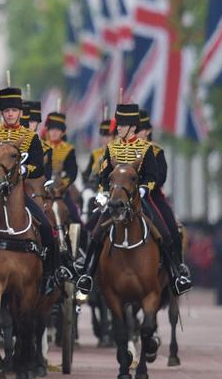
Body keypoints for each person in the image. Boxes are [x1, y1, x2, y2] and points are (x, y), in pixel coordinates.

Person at [75, 103, 191, 297]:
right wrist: (103, 193)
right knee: (96, 231)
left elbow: (153, 176)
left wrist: (144, 189)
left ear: (130, 126)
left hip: (142, 198)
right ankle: (87, 274)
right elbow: (103, 175)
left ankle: (175, 274)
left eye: (120, 125)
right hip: (115, 199)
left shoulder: (147, 149)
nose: (117, 128)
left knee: (166, 229)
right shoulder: (111, 149)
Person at [0, 87, 72, 297]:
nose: (11, 114)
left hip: (19, 194)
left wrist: (23, 169)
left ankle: (50, 274)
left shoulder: (30, 138)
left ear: (20, 113)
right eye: (7, 111)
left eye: (14, 110)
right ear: (2, 113)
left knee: (46, 229)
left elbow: (38, 167)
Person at [137, 111, 192, 290]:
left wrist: (145, 186)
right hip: (126, 197)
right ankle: (91, 269)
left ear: (148, 131)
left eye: (142, 129)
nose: (139, 133)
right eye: (136, 129)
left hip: (152, 196)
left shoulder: (156, 151)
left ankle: (177, 269)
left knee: (170, 230)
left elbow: (161, 177)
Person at [42, 111, 82, 224]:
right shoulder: (42, 146)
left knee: (74, 215)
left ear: (62, 132)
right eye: (52, 129)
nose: (54, 132)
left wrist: (63, 184)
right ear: (48, 131)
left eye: (57, 130)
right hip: (44, 187)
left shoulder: (69, 149)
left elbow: (72, 171)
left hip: (61, 189)